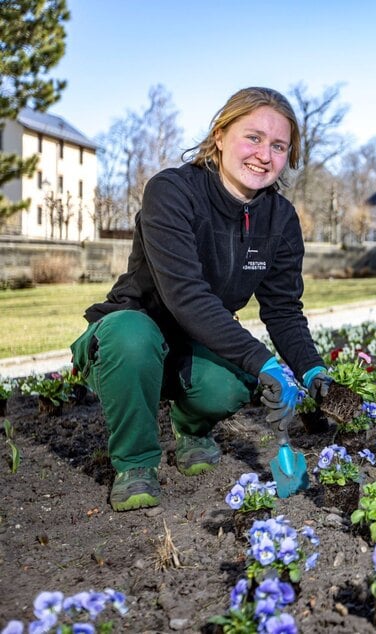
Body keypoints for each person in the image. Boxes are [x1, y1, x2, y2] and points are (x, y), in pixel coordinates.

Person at [70, 87, 331, 512]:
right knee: (132, 338)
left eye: (278, 146)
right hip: (130, 330)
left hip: (195, 343)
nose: (264, 155)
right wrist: (262, 360)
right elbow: (186, 296)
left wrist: (313, 370)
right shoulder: (172, 191)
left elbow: (283, 309)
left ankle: (191, 429)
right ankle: (135, 463)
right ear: (220, 135)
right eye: (253, 137)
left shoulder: (280, 218)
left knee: (233, 385)